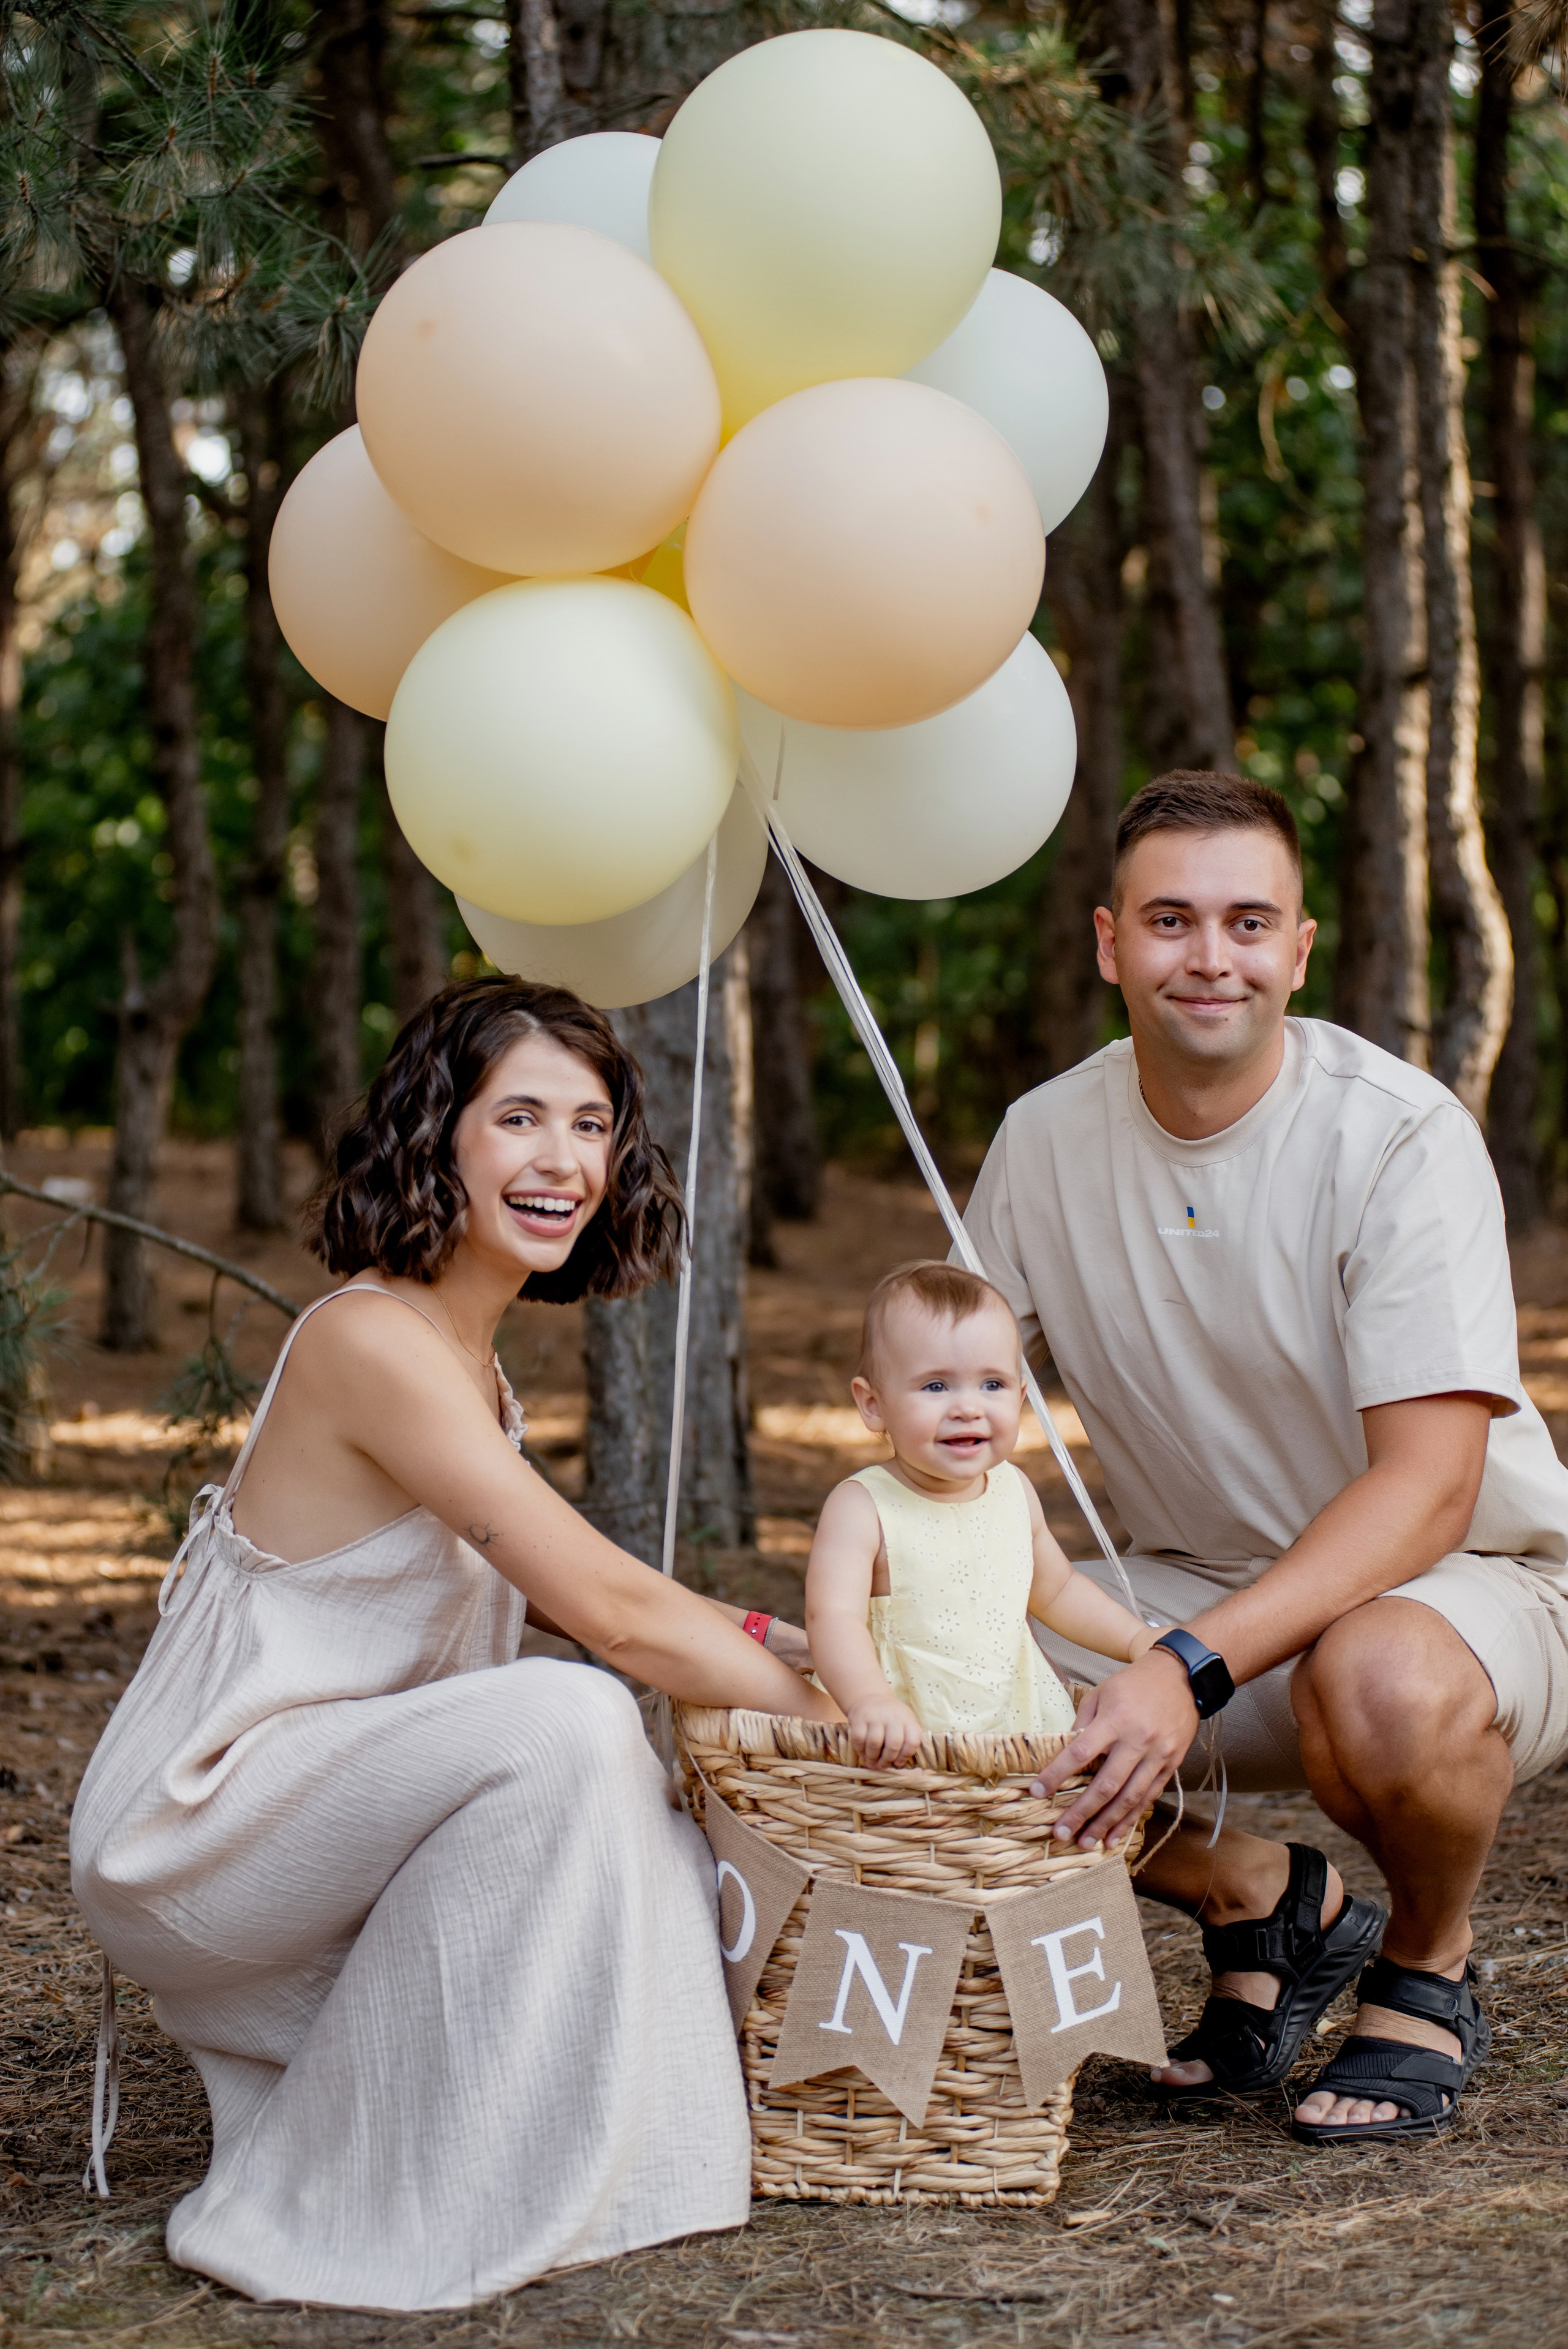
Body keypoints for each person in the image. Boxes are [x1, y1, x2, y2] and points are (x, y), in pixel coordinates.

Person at [71, 978, 838, 2312]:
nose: (563, 1161)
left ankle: (621, 2160)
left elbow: (551, 1582)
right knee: (573, 1714)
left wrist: (785, 1637)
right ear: (438, 1134)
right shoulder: (372, 1340)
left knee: (618, 1770)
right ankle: (349, 2198)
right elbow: (606, 1618)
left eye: (592, 1125)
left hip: (326, 1796)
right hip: (198, 1822)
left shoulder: (467, 1360)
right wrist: (847, 1718)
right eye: (520, 1117)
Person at [961, 770, 1568, 2144]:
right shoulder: (1043, 1138)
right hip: (1199, 1585)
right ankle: (1262, 1896)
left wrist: (1181, 1666)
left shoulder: (1394, 1132)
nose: (1208, 956)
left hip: (1471, 1592)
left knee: (1379, 1679)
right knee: (922, 1681)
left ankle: (1427, 1962)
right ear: (1111, 943)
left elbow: (1430, 1489)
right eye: (1169, 921)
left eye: (1247, 922)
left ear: (1297, 950)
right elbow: (959, 1405)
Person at [805, 1259, 1155, 1763]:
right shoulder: (863, 1506)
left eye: (991, 1385)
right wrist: (869, 1700)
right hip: (904, 1731)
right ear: (873, 1404)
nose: (968, 1407)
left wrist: (1136, 1639)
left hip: (1012, 1722)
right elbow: (833, 1617)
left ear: (1020, 1395)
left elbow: (1057, 1590)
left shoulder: (1013, 1489)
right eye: (935, 1386)